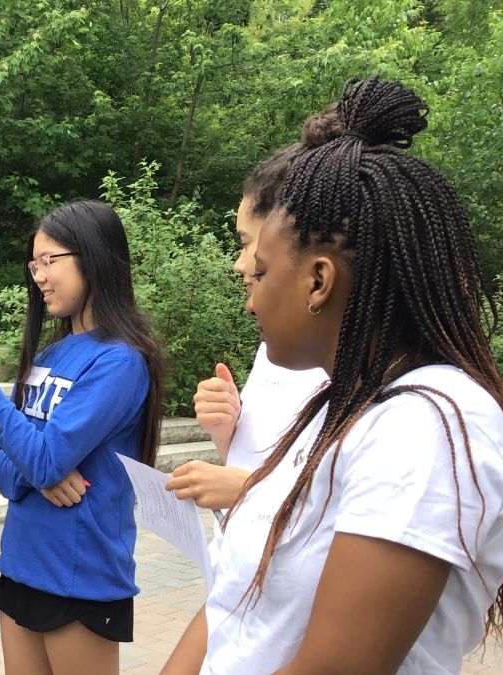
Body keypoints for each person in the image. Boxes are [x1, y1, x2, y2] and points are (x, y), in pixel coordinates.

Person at [163, 77, 503, 674]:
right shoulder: (339, 407)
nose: (248, 297)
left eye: (260, 271)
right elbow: (235, 605)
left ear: (318, 281)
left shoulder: (426, 428)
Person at [0, 200, 165, 675]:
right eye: (34, 263)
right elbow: (0, 451)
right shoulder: (54, 353)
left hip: (79, 576)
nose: (38, 275)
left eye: (50, 261)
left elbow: (36, 453)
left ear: (94, 257)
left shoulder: (119, 361)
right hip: (23, 562)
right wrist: (38, 473)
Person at [165, 108, 340, 510]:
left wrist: (248, 492)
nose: (240, 265)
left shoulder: (399, 400)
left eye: (247, 245)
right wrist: (227, 427)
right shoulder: (279, 347)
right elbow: (249, 464)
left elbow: (344, 514)